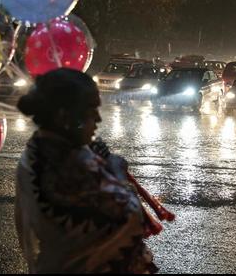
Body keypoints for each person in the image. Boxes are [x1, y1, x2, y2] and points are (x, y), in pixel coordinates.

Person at [14, 68, 158, 274]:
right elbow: (128, 215)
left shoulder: (38, 150)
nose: (98, 119)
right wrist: (115, 170)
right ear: (64, 116)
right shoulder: (63, 163)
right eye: (91, 110)